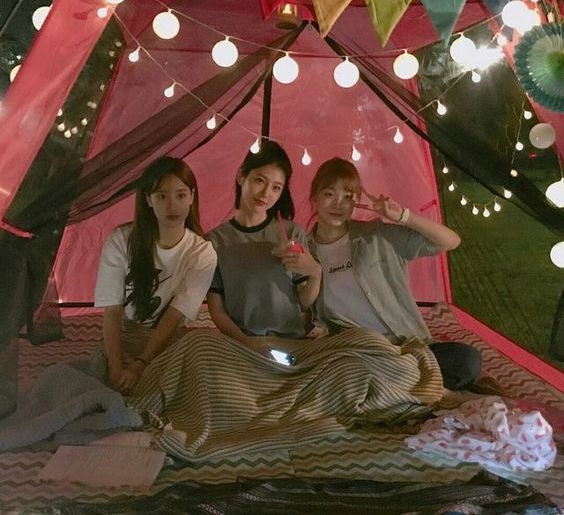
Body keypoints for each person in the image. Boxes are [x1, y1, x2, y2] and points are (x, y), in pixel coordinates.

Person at [308, 157, 482, 390]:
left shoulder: (377, 235)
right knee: (344, 375)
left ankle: (400, 389)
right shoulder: (305, 253)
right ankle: (419, 389)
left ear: (355, 202)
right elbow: (309, 311)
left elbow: (450, 241)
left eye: (348, 197)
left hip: (409, 347)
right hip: (363, 355)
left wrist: (403, 216)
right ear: (315, 197)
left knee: (468, 360)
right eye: (329, 194)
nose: (338, 204)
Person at [94, 157, 217, 394]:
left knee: (205, 347)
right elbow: (112, 311)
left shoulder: (202, 253)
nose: (172, 205)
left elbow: (174, 315)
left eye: (180, 195)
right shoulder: (121, 241)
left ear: (192, 197)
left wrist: (141, 364)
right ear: (148, 199)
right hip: (126, 336)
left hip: (170, 340)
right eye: (162, 196)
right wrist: (116, 370)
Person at [207, 140, 322, 354]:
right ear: (241, 176)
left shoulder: (292, 234)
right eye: (260, 180)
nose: (266, 193)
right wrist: (247, 344)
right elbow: (216, 309)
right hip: (242, 344)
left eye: (276, 188)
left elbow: (303, 302)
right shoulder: (216, 241)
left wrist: (316, 273)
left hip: (291, 342)